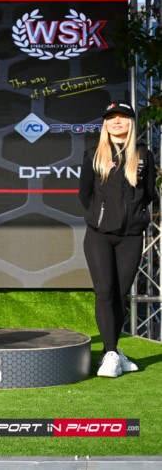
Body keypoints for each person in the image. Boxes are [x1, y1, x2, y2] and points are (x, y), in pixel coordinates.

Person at [79, 101, 158, 378]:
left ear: (131, 123)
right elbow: (84, 193)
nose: (116, 121)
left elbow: (149, 193)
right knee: (105, 292)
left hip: (131, 237)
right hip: (99, 236)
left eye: (122, 117)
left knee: (121, 294)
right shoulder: (94, 153)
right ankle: (111, 352)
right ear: (105, 124)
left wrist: (134, 216)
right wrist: (100, 217)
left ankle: (111, 351)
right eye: (111, 117)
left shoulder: (144, 155)